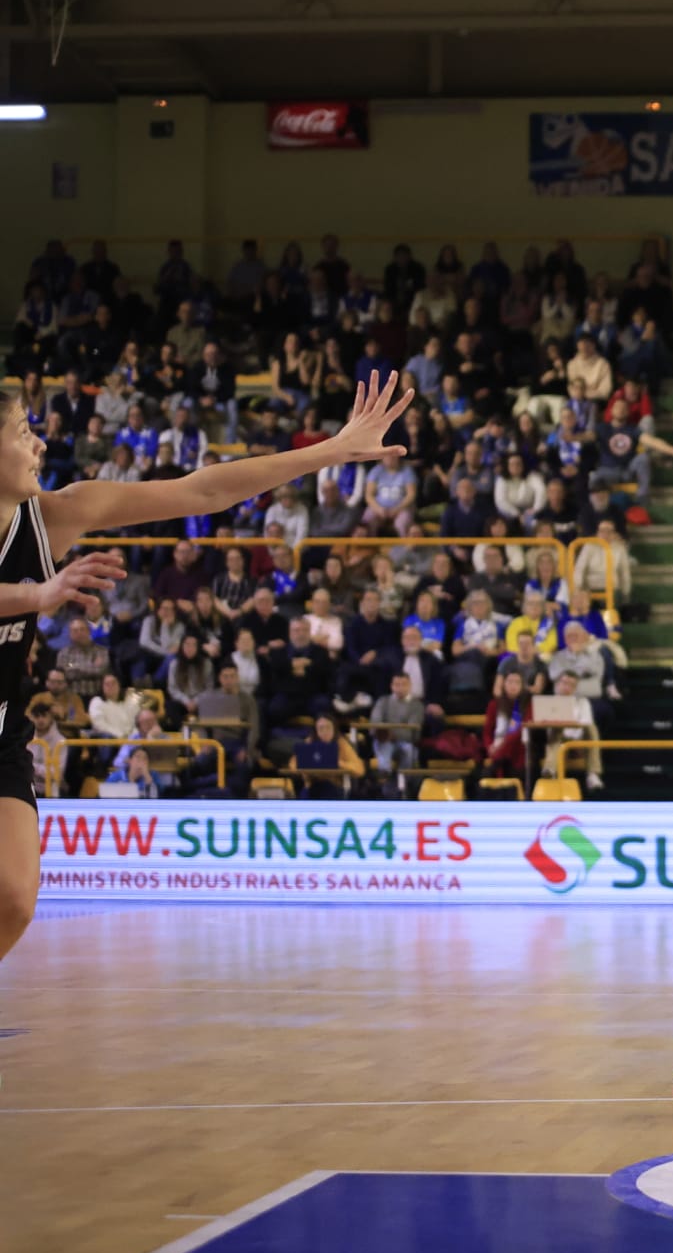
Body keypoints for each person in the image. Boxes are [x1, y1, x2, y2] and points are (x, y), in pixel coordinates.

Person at [0, 372, 410, 969]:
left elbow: (199, 493)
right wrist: (36, 597)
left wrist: (332, 450)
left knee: (14, 899)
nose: (39, 444)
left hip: (3, 727)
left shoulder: (55, 516)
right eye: (22, 431)